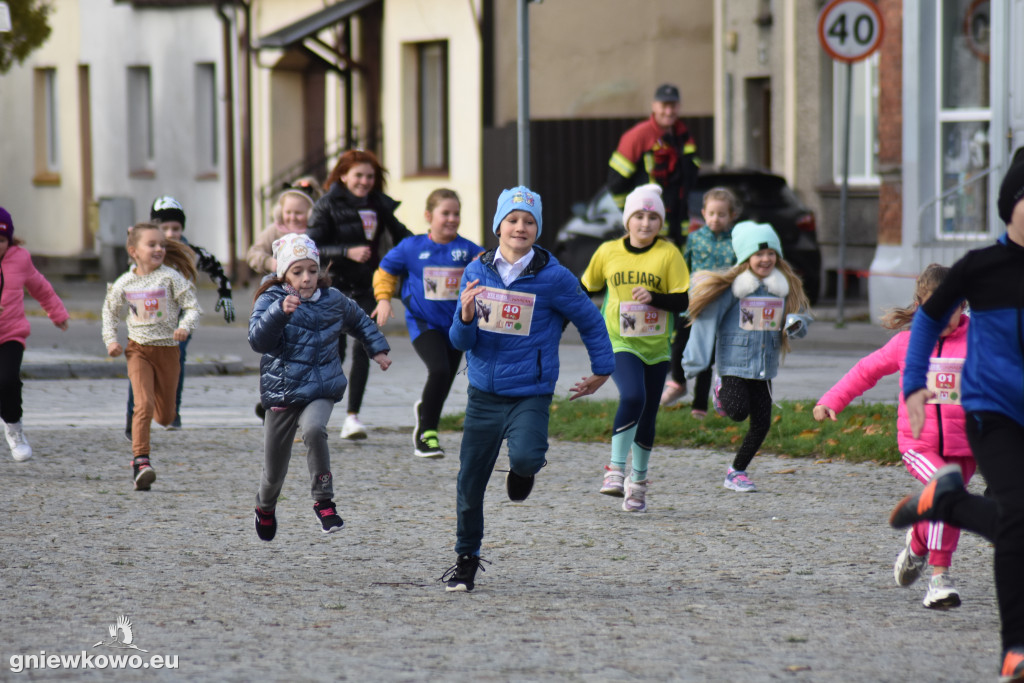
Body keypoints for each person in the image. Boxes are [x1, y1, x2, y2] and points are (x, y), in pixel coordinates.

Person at [888, 147, 1024, 681]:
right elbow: (925, 321)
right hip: (995, 413)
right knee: (1016, 519)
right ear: (1010, 205)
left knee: (1017, 524)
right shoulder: (981, 268)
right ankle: (1016, 649)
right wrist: (915, 382)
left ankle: (948, 502)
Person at [439, 186, 614, 592]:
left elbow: (590, 320)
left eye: (529, 221)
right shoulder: (476, 271)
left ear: (538, 229)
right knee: (470, 481)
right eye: (513, 219)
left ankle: (522, 471)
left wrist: (603, 369)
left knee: (528, 456)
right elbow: (460, 342)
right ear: (498, 225)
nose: (520, 227)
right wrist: (465, 316)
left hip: (530, 391)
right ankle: (466, 557)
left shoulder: (554, 277)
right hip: (483, 392)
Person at [814, 265, 971, 609]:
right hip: (920, 444)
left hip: (966, 447)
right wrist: (831, 399)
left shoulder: (980, 342)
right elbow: (865, 371)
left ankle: (916, 545)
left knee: (947, 505)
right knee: (948, 492)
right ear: (919, 305)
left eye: (952, 308)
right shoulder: (907, 343)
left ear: (964, 305)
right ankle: (939, 580)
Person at [249, 233, 391, 541]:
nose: (307, 278)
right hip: (283, 391)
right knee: (273, 472)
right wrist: (278, 314)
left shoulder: (333, 299)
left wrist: (376, 348)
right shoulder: (271, 299)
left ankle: (324, 501)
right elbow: (258, 341)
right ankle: (265, 507)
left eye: (312, 270)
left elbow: (361, 321)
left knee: (314, 429)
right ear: (284, 274)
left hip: (321, 386)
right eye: (297, 271)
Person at [580, 184, 689, 512]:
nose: (645, 223)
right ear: (627, 220)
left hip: (656, 345)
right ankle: (615, 470)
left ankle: (638, 483)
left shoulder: (669, 254)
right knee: (632, 396)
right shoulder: (608, 252)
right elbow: (585, 289)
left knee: (648, 413)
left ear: (661, 222)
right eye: (639, 216)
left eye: (653, 216)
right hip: (619, 339)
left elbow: (682, 300)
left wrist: (654, 297)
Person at [682, 221, 811, 493]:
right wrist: (694, 361)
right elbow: (706, 321)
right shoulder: (733, 289)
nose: (765, 259)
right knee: (738, 412)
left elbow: (801, 314)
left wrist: (796, 324)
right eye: (758, 254)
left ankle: (736, 471)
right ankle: (719, 390)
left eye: (770, 253)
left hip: (764, 367)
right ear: (746, 258)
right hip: (733, 364)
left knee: (762, 424)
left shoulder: (784, 287)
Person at [307, 150, 413, 440]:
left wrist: (431, 246)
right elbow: (310, 245)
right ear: (343, 175)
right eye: (358, 175)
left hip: (368, 286)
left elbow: (404, 236)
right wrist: (346, 251)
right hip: (333, 287)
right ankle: (317, 414)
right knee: (334, 352)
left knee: (364, 347)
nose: (364, 181)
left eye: (369, 176)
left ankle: (353, 417)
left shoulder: (379, 205)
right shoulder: (326, 204)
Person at [371, 188, 484, 458]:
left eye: (456, 213)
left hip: (458, 326)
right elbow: (385, 271)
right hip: (424, 324)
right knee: (439, 370)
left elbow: (490, 269)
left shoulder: (468, 249)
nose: (452, 219)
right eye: (445, 213)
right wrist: (384, 299)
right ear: (428, 216)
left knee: (444, 380)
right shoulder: (411, 247)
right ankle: (427, 434)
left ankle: (426, 414)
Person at [608, 83, 701, 407]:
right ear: (654, 105)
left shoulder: (683, 135)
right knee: (646, 304)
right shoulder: (637, 137)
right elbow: (616, 182)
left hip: (679, 234)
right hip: (649, 235)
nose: (669, 111)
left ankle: (674, 377)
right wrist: (633, 220)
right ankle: (647, 380)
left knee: (681, 304)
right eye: (663, 105)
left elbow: (692, 179)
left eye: (673, 105)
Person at [123, 196, 235, 439]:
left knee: (175, 363)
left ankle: (172, 413)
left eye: (176, 228)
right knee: (142, 365)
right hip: (148, 318)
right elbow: (129, 273)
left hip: (180, 319)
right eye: (164, 228)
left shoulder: (190, 252)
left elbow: (216, 268)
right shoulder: (147, 249)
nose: (171, 234)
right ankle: (133, 419)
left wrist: (225, 294)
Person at [102, 223, 201, 491]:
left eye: (162, 245)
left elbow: (193, 307)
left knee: (166, 416)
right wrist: (112, 341)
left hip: (168, 351)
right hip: (139, 351)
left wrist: (184, 326)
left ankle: (162, 416)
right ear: (134, 251)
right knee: (142, 404)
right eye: (152, 244)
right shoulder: (125, 282)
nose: (159, 249)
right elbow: (110, 313)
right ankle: (141, 462)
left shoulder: (170, 278)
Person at [0, 207, 70, 462]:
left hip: (11, 334)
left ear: (10, 240)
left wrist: (58, 314)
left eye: (2, 240)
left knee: (7, 382)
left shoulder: (20, 259)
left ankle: (14, 428)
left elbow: (41, 287)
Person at [664, 187, 740, 415]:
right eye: (712, 213)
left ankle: (699, 406)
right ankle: (678, 382)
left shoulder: (735, 241)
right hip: (693, 304)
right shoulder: (695, 239)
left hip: (720, 306)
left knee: (707, 354)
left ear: (732, 216)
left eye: (722, 214)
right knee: (679, 345)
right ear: (704, 213)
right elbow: (683, 268)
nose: (716, 219)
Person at [247, 188, 315, 275]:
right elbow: (253, 253)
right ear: (280, 212)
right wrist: (269, 262)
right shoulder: (273, 231)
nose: (292, 218)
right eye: (288, 212)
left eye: (298, 213)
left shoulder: (314, 232)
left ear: (310, 214)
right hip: (277, 281)